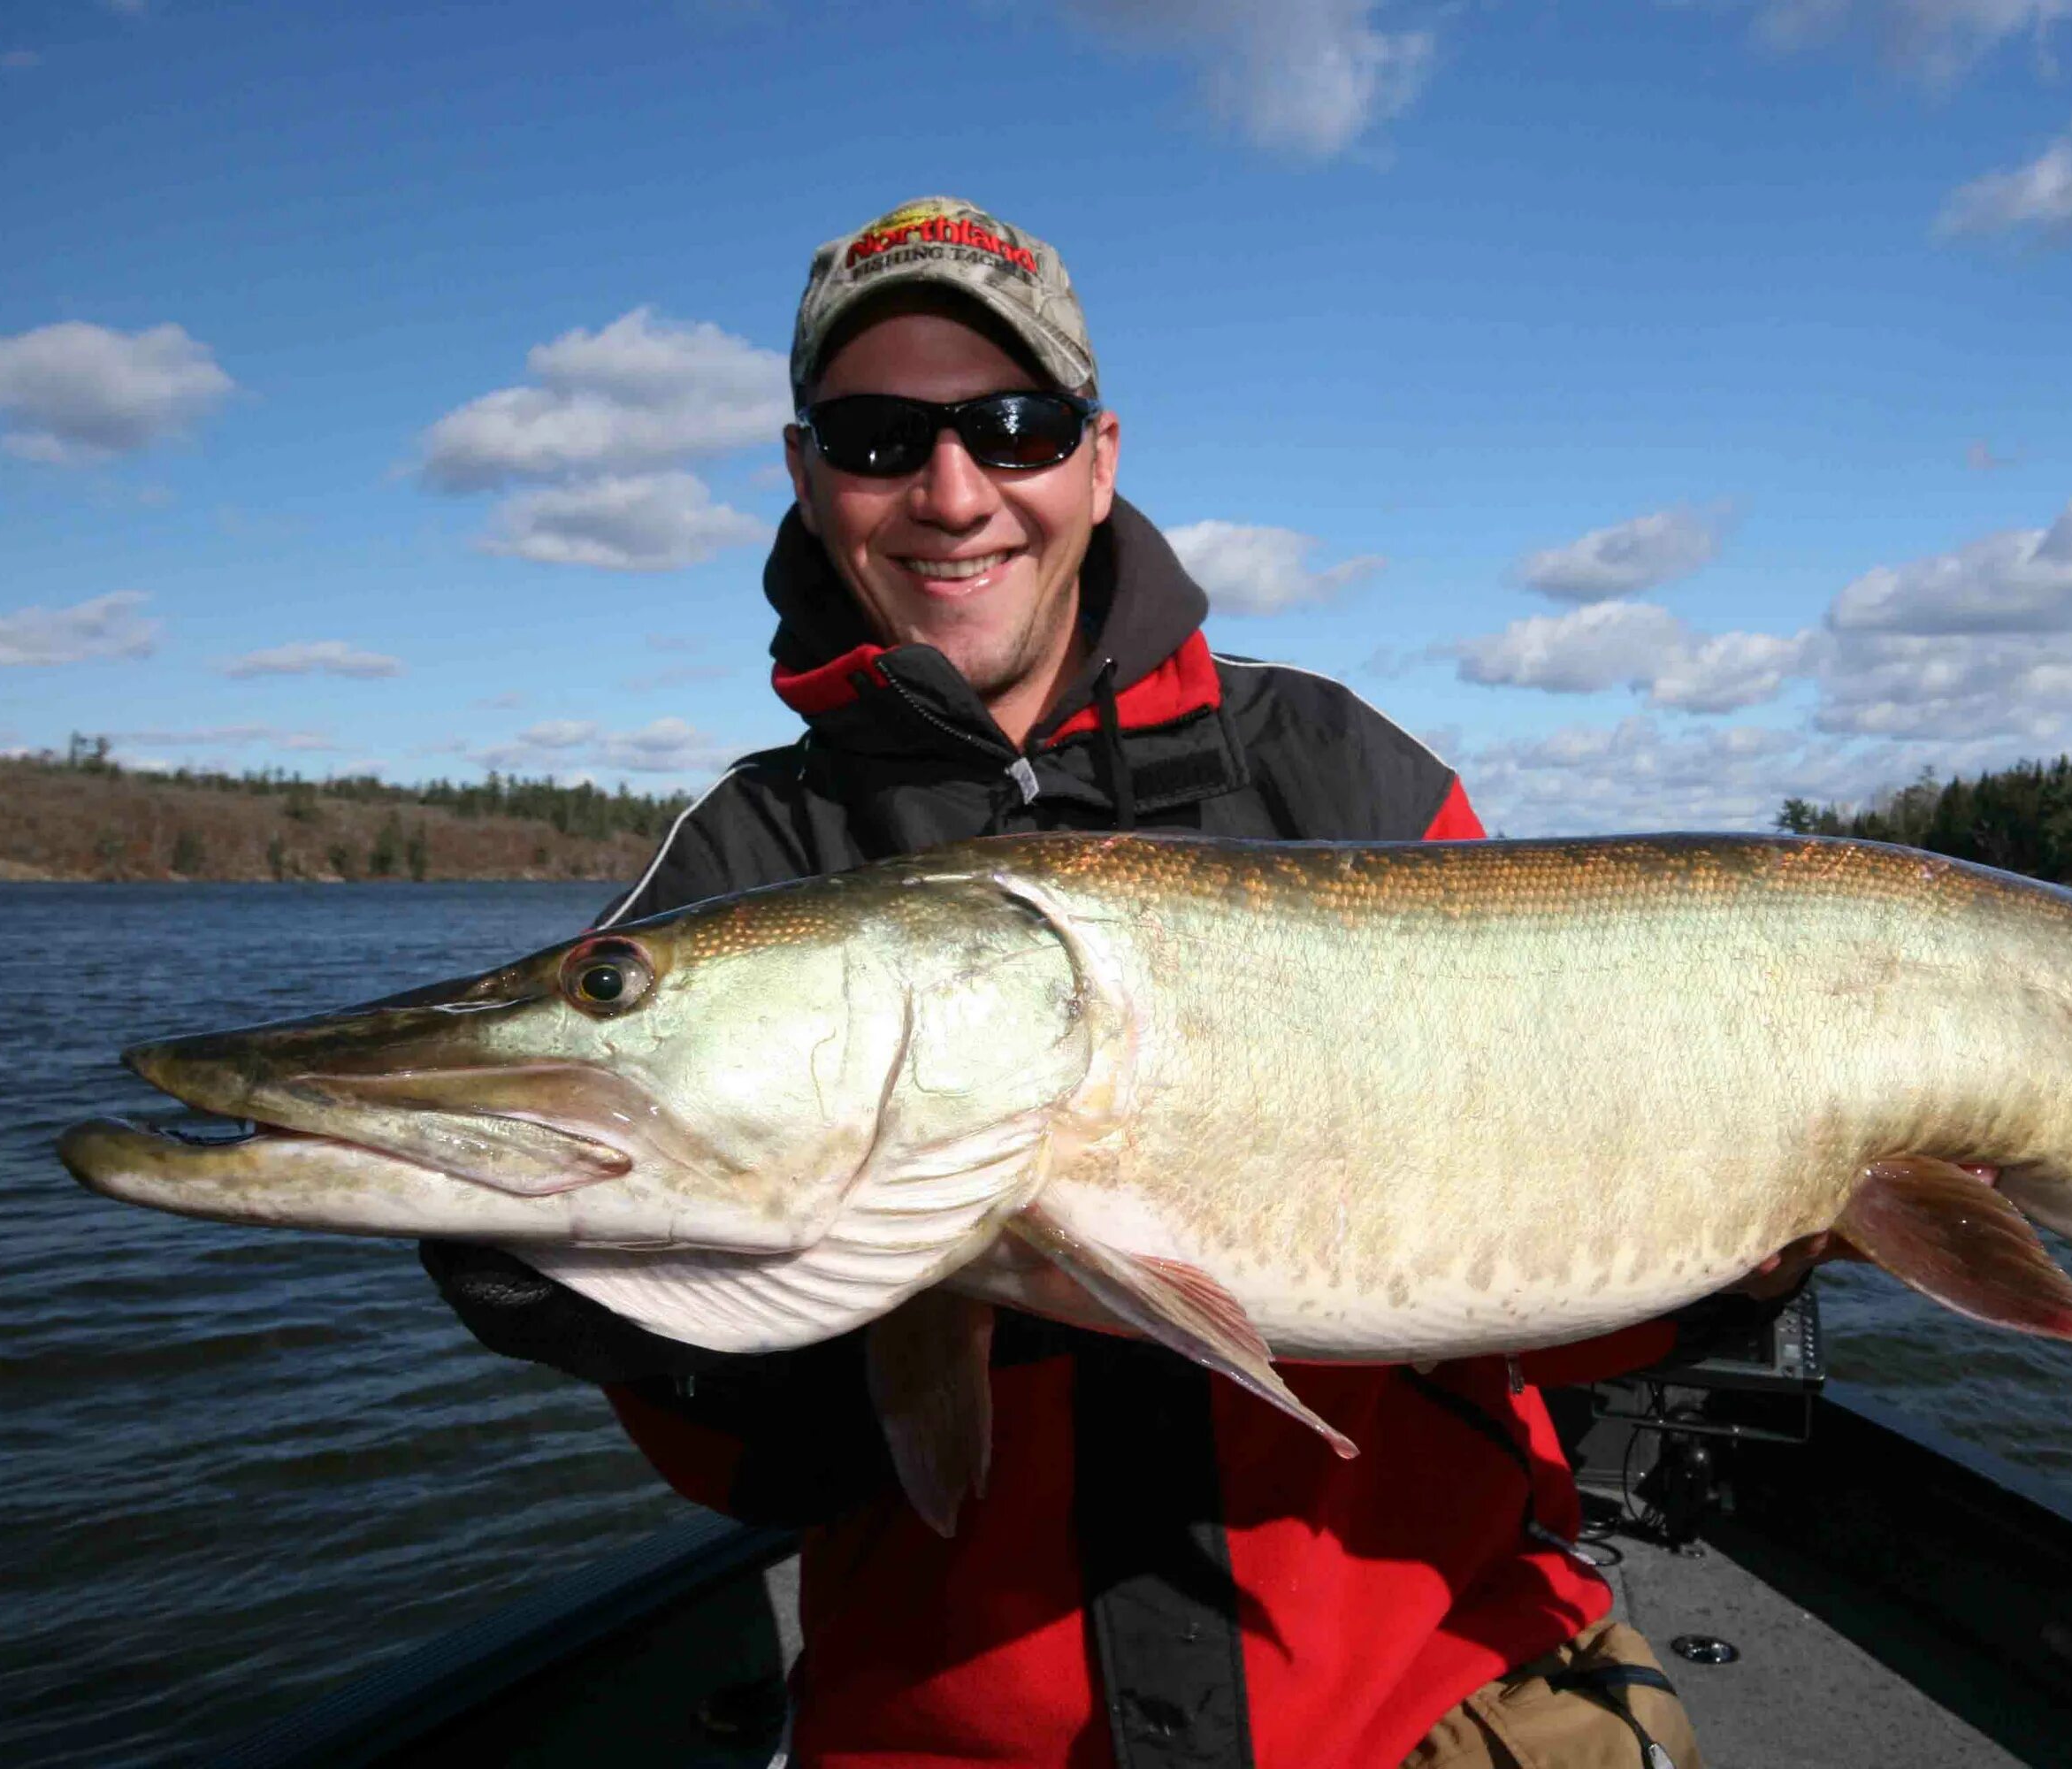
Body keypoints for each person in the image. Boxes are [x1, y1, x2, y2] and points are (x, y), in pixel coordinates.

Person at [427, 195, 1806, 1768]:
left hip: (1432, 1701)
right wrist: (625, 1297)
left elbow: (1538, 1309)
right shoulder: (747, 854)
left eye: (1013, 425)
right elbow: (755, 1478)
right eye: (879, 438)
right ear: (809, 477)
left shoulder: (1342, 769)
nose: (953, 494)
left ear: (1098, 457)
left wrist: (1744, 1262)